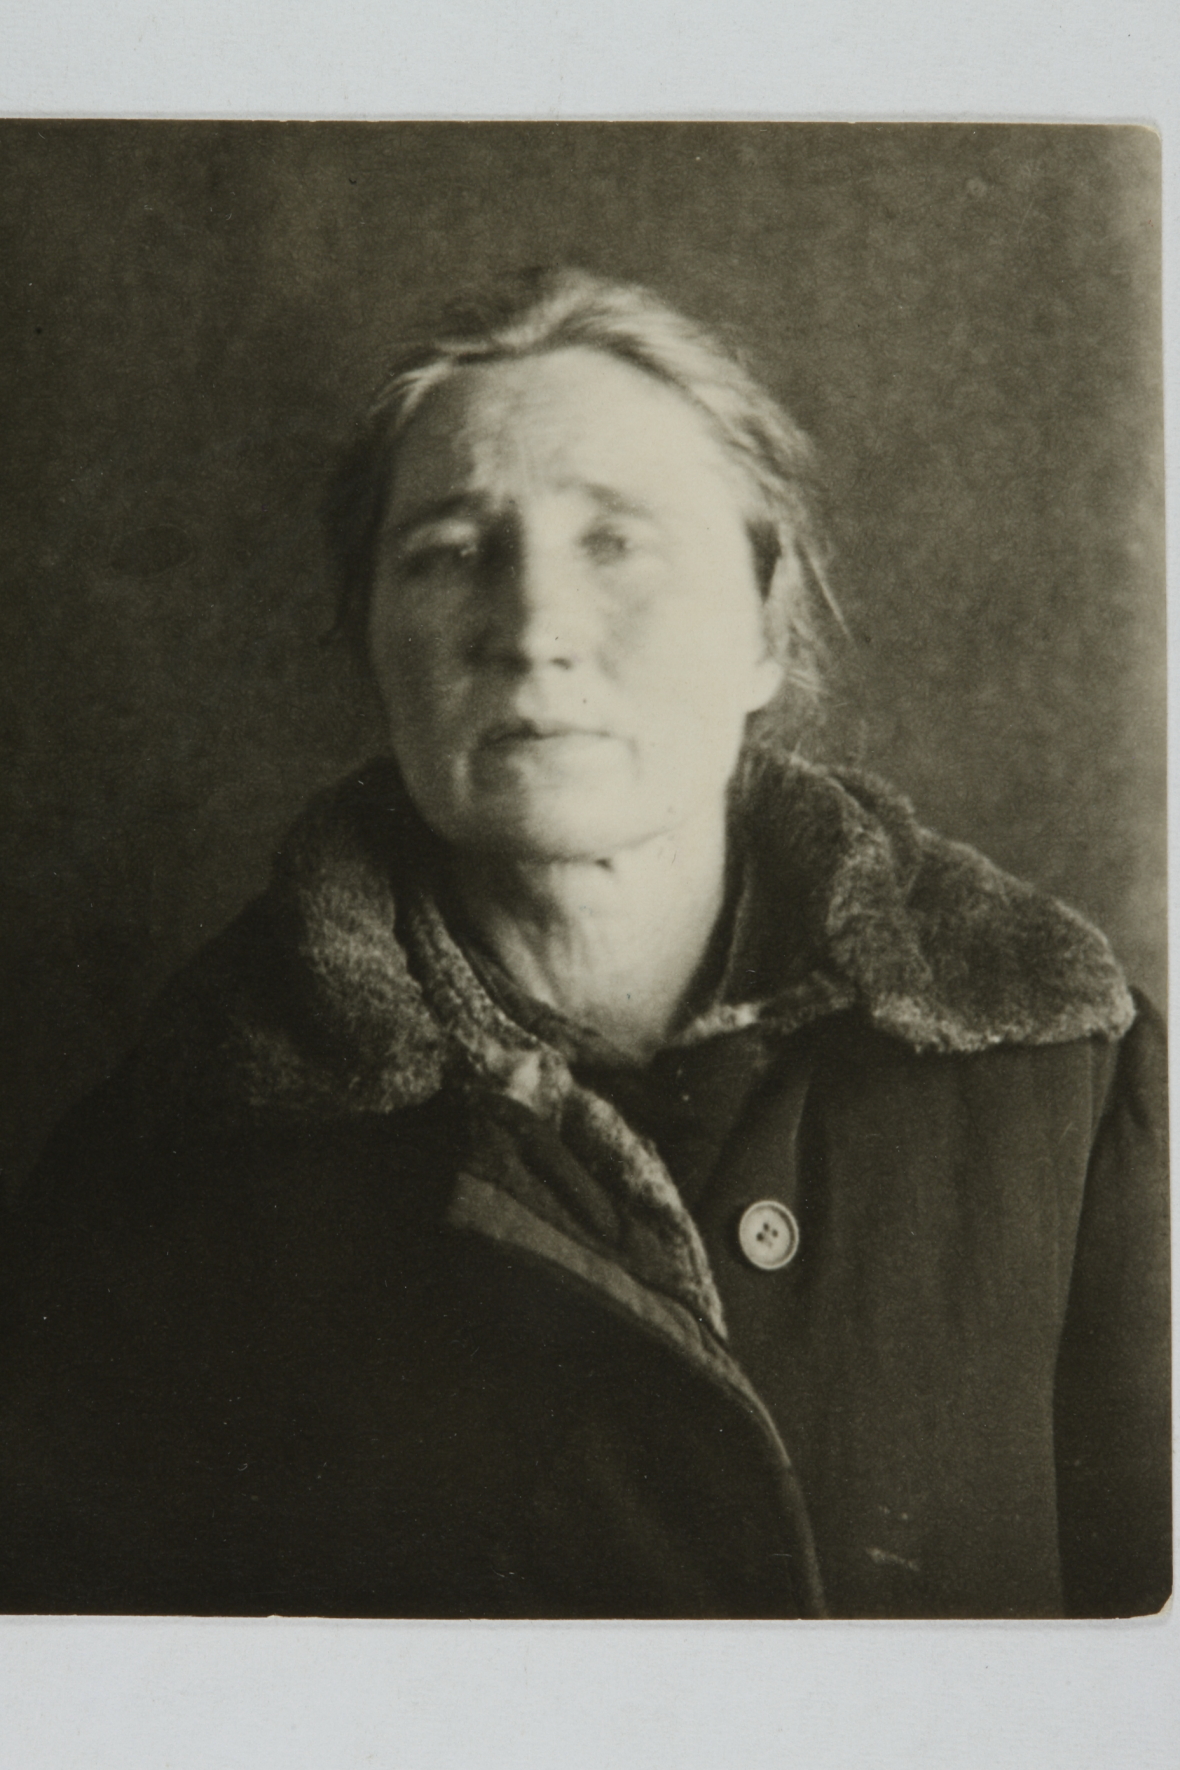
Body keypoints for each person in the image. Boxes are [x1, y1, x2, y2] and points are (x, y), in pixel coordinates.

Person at [1, 268, 1169, 1619]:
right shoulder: (171, 1164)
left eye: (615, 542)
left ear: (767, 621)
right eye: (448, 553)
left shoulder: (1068, 1090)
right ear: (371, 645)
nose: (534, 630)